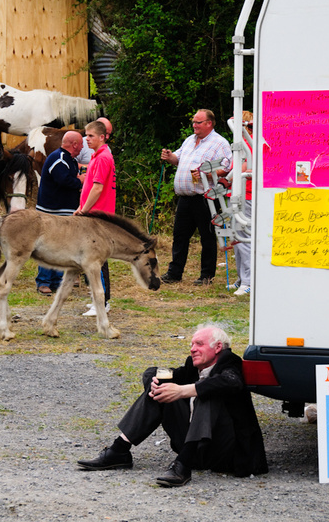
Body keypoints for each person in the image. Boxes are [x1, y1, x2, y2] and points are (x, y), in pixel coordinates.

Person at [77, 323, 268, 486]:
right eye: (192, 344)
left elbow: (230, 382)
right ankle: (119, 451)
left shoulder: (230, 363)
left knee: (207, 392)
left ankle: (182, 465)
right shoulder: (192, 367)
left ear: (218, 347)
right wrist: (154, 383)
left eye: (199, 344)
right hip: (198, 453)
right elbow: (154, 372)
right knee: (162, 390)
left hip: (227, 453)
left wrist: (184, 390)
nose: (192, 349)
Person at [160, 109, 232, 285]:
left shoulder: (219, 143)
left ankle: (206, 276)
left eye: (198, 122)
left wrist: (208, 174)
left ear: (209, 123)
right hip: (185, 197)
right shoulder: (190, 140)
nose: (194, 125)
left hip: (205, 197)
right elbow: (179, 158)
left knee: (206, 237)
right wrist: (170, 157)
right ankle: (174, 273)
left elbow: (228, 167)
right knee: (180, 236)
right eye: (193, 122)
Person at [74, 119, 116, 316]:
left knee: (98, 259)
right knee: (92, 259)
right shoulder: (96, 156)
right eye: (85, 135)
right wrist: (81, 207)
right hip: (92, 213)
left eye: (90, 136)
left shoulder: (102, 158)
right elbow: (91, 186)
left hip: (98, 216)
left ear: (101, 137)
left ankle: (103, 302)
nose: (86, 139)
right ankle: (97, 299)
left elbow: (98, 188)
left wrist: (84, 210)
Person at [35, 131, 84, 295]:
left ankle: (56, 281)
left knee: (60, 247)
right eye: (81, 144)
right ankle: (43, 281)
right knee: (48, 246)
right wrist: (80, 181)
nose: (83, 147)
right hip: (52, 211)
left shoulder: (69, 159)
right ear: (74, 144)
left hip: (62, 211)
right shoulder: (59, 158)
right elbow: (63, 180)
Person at [227, 111, 253, 296]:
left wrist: (227, 178)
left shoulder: (252, 141)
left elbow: (244, 167)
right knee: (237, 239)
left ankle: (249, 281)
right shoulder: (241, 144)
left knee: (244, 238)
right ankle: (241, 278)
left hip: (248, 194)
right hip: (237, 193)